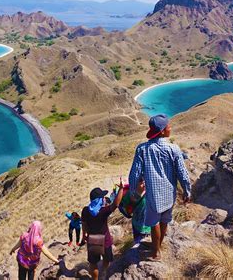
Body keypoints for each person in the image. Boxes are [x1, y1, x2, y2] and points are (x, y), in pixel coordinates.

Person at [128, 114, 191, 261]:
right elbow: (182, 173)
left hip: (153, 196)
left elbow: (135, 173)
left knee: (154, 222)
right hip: (170, 194)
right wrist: (187, 190)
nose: (170, 128)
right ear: (162, 131)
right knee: (164, 221)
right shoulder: (174, 149)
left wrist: (133, 190)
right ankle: (158, 247)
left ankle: (156, 251)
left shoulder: (142, 149)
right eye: (168, 126)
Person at [81, 180, 124, 280]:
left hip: (92, 240)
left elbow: (84, 224)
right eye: (102, 197)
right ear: (99, 200)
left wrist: (84, 235)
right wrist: (121, 189)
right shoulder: (104, 211)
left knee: (93, 263)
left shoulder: (85, 211)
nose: (104, 198)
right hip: (105, 240)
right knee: (107, 258)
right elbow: (116, 204)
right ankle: (104, 271)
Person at [131, 178, 151, 245]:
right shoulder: (134, 195)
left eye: (145, 181)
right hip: (137, 225)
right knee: (138, 245)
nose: (144, 183)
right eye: (141, 182)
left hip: (146, 227)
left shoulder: (150, 193)